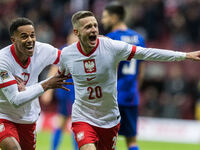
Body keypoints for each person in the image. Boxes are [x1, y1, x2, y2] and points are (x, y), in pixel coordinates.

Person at [58, 10, 200, 150]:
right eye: (88, 27)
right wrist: (47, 86)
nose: (94, 29)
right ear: (76, 33)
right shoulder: (67, 54)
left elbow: (147, 53)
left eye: (95, 25)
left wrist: (184, 55)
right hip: (83, 117)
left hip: (109, 118)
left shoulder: (110, 47)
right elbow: (60, 74)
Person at [0, 17, 71, 150]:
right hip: (4, 115)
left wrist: (98, 43)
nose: (30, 40)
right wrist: (47, 84)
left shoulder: (42, 50)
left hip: (28, 117)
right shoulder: (3, 61)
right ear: (13, 40)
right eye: (24, 36)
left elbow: (69, 59)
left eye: (32, 35)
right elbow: (15, 99)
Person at [101, 2, 145, 150]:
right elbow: (141, 70)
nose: (103, 20)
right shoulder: (139, 38)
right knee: (131, 140)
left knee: (104, 138)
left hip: (113, 95)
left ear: (114, 18)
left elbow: (106, 69)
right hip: (131, 95)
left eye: (105, 17)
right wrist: (135, 90)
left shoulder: (111, 38)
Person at [41, 32, 79, 150]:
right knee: (68, 122)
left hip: (75, 92)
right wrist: (47, 91)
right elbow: (54, 70)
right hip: (67, 92)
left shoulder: (81, 52)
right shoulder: (64, 51)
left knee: (70, 122)